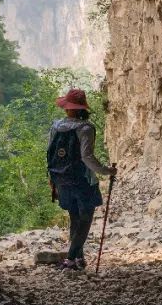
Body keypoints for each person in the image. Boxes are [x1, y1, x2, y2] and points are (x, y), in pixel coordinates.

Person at [46, 88, 115, 270]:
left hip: (60, 179)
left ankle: (78, 259)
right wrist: (107, 171)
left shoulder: (55, 126)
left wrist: (53, 179)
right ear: (82, 108)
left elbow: (50, 152)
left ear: (67, 108)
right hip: (82, 181)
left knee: (74, 217)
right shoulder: (86, 128)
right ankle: (70, 259)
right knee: (85, 219)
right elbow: (87, 157)